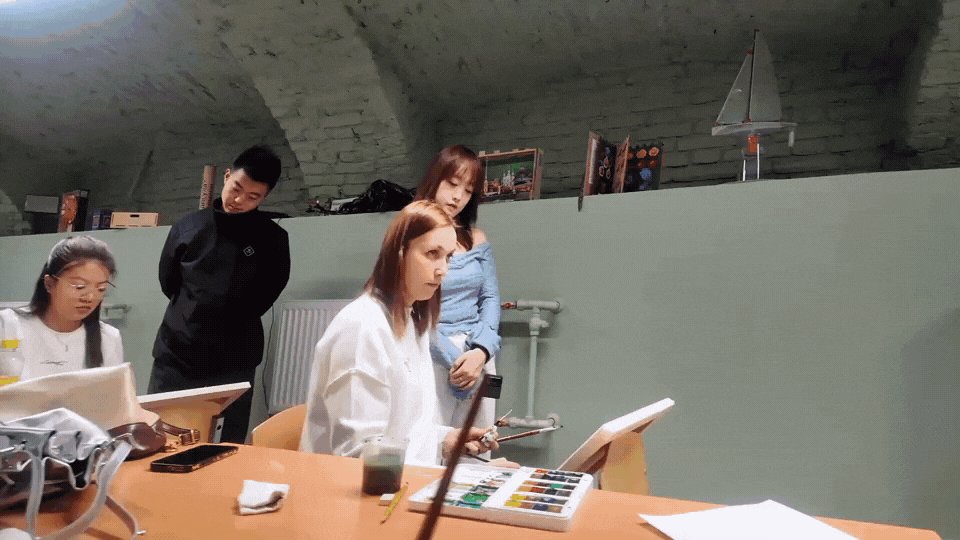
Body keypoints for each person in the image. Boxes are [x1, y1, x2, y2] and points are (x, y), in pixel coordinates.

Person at [299, 200, 504, 466]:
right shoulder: (363, 327)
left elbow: (406, 428)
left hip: (395, 480)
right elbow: (360, 455)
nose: (443, 270)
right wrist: (461, 477)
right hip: (352, 485)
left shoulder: (413, 322)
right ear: (399, 253)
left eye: (448, 257)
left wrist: (445, 440)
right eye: (432, 253)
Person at [149, 145, 291, 443]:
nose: (239, 201)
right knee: (163, 440)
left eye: (253, 197)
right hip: (178, 352)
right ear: (227, 176)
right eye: (236, 188)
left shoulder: (273, 239)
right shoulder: (189, 226)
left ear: (265, 197)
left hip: (234, 358)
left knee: (224, 444)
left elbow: (270, 290)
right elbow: (168, 281)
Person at [414, 145, 501, 430]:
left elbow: (490, 299)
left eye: (468, 190)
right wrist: (456, 362)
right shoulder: (412, 234)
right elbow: (411, 307)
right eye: (452, 184)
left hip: (478, 353)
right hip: (432, 352)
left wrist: (482, 352)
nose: (458, 196)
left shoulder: (477, 238)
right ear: (435, 179)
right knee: (433, 442)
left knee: (480, 440)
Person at [0, 235, 123, 380]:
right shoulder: (8, 325)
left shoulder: (108, 338)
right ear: (49, 283)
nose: (90, 297)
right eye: (79, 286)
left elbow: (112, 392)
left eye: (101, 289)